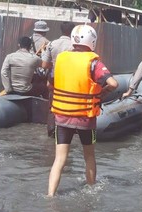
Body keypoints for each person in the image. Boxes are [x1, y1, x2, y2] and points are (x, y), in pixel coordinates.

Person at [47, 25, 118, 196]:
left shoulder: (61, 60)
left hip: (62, 116)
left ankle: (50, 195)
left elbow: (50, 84)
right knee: (89, 156)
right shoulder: (94, 63)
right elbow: (113, 84)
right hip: (85, 118)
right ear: (92, 41)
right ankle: (92, 189)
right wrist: (101, 93)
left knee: (59, 159)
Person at [42, 21, 76, 137]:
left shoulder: (52, 44)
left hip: (54, 79)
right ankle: (68, 130)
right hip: (70, 80)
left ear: (61, 30)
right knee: (70, 103)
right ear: (72, 32)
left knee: (53, 104)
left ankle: (51, 131)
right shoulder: (74, 46)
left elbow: (45, 65)